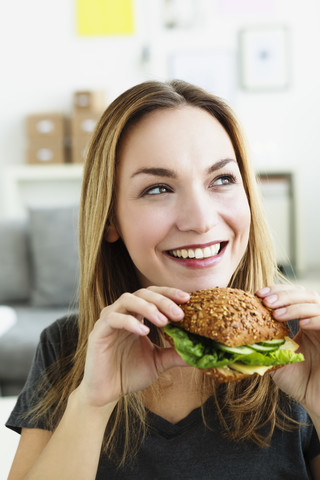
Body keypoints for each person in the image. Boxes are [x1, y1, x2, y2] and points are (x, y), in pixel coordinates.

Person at [6, 80, 320, 480]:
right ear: (110, 219)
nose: (202, 220)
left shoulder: (299, 345)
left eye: (222, 179)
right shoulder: (67, 347)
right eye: (158, 188)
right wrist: (91, 404)